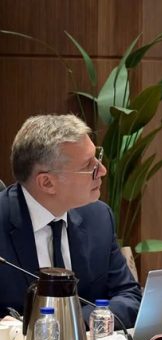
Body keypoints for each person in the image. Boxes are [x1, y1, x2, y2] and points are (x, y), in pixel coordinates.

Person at [0, 114, 141, 327]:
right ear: (47, 182)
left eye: (98, 157)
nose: (102, 170)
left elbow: (129, 296)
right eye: (88, 166)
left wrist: (69, 325)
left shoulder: (98, 217)